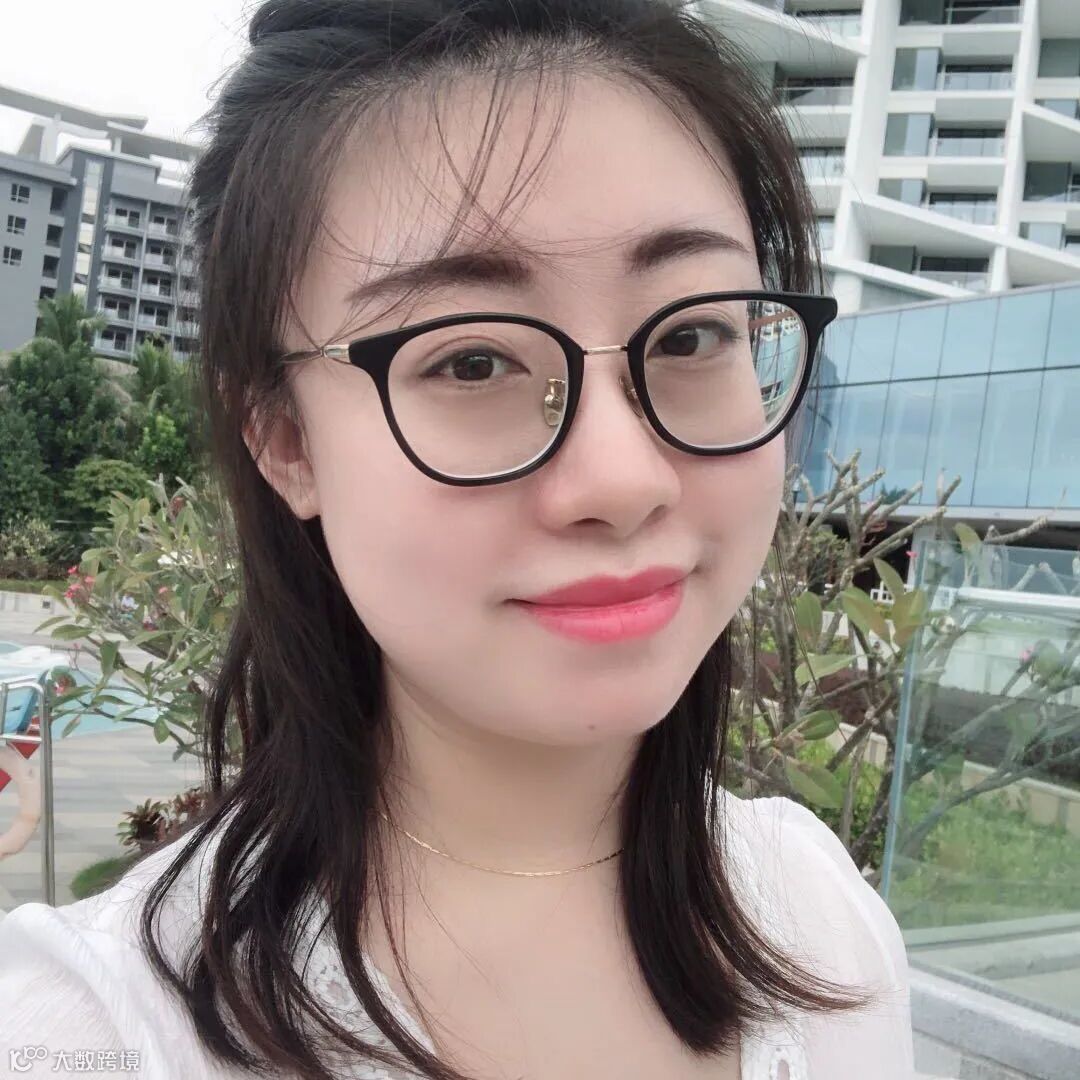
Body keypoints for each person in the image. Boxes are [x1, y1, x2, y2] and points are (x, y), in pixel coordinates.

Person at [0, 1, 916, 1078]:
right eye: (471, 361)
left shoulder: (822, 917)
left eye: (693, 334)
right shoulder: (82, 1032)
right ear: (285, 440)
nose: (624, 480)